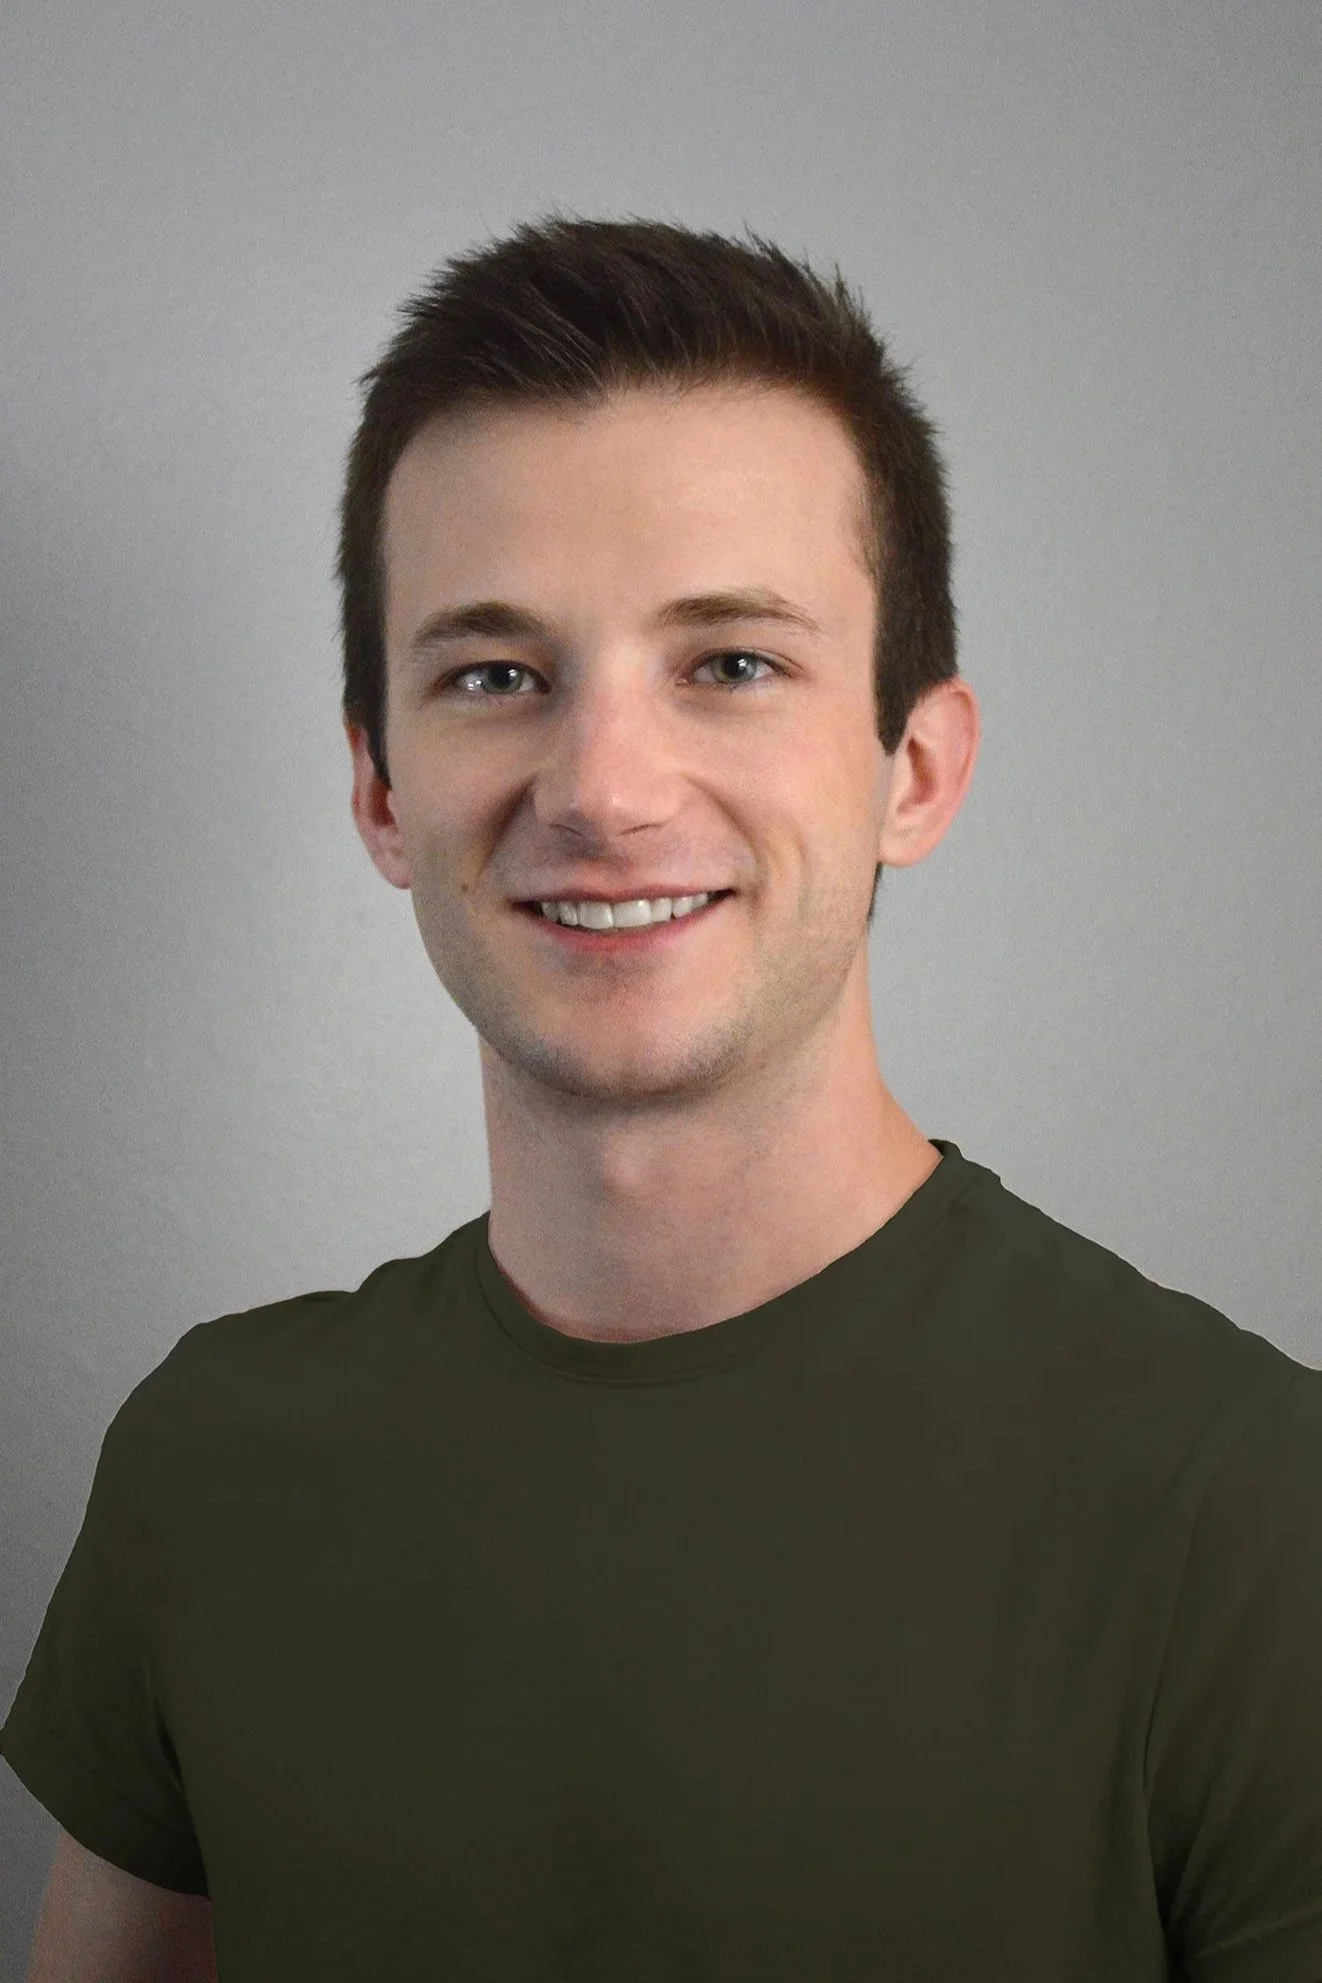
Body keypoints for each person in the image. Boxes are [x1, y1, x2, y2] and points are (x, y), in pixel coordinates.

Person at [3, 213, 1320, 1983]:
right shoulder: (211, 1466)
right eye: (494, 675)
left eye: (730, 662)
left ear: (914, 768)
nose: (603, 788)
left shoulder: (1248, 1512)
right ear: (382, 792)